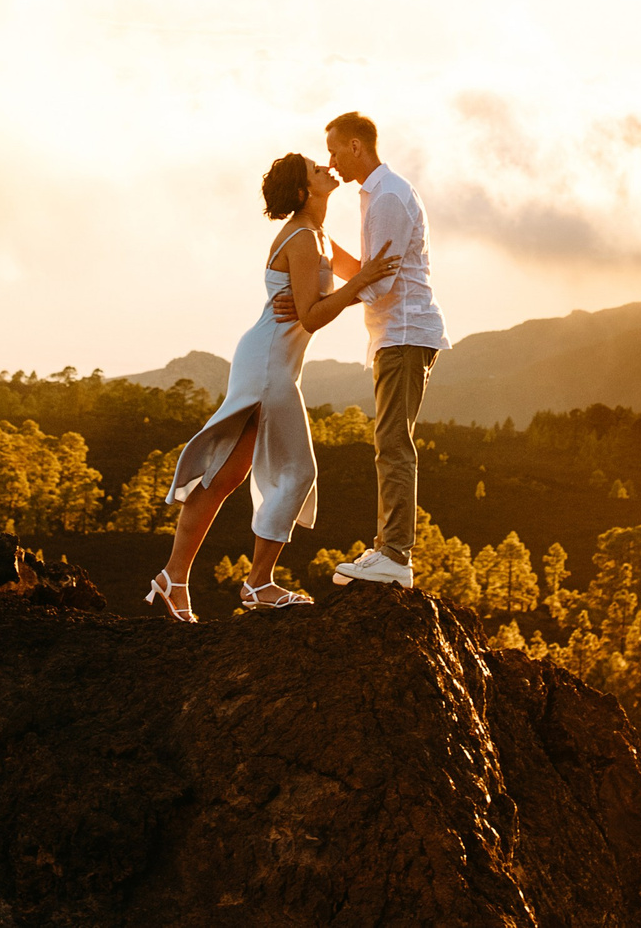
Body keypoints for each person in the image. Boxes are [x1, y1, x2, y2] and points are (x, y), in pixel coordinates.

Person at [147, 152, 399, 622]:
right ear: (305, 192)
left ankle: (172, 580)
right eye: (315, 169)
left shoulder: (320, 237)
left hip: (271, 360)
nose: (327, 167)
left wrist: (370, 268)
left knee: (225, 477)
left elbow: (361, 275)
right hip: (268, 365)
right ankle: (258, 584)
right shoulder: (303, 240)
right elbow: (314, 315)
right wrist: (348, 287)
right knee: (299, 472)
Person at [288, 111, 450, 590]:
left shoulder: (387, 198)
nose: (331, 161)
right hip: (395, 334)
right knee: (390, 441)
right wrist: (319, 240)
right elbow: (366, 269)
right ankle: (389, 550)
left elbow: (378, 285)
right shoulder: (377, 195)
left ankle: (395, 556)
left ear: (357, 147)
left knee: (393, 444)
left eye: (335, 150)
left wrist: (315, 304)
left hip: (402, 333)